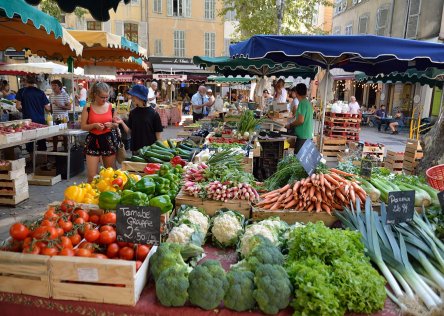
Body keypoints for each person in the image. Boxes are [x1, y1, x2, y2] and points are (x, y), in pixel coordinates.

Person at [81, 82, 119, 182]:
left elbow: (117, 124)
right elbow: (83, 126)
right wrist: (94, 125)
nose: (105, 99)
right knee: (91, 175)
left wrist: (112, 125)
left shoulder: (112, 107)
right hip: (93, 140)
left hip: (108, 139)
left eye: (107, 97)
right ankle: (92, 195)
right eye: (102, 97)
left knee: (110, 173)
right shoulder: (88, 107)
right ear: (95, 94)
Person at [115, 84, 163, 153]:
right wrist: (122, 122)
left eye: (133, 96)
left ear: (140, 97)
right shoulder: (133, 113)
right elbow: (130, 132)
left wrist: (159, 152)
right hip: (136, 150)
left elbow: (158, 136)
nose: (131, 97)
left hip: (150, 151)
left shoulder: (154, 114)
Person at [16, 75, 50, 152]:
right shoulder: (41, 92)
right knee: (41, 141)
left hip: (28, 121)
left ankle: (32, 161)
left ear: (25, 81)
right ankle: (43, 160)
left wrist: (24, 110)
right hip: (40, 120)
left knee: (30, 142)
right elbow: (47, 108)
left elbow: (18, 106)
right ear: (35, 82)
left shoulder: (21, 91)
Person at [285, 83, 313, 154]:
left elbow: (300, 120)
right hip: (307, 135)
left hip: (303, 137)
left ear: (296, 92)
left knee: (298, 160)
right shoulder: (307, 102)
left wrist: (290, 125)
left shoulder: (302, 103)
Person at [50, 79, 71, 151]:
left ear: (59, 86)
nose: (53, 87)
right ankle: (54, 149)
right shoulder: (51, 95)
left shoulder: (65, 95)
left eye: (55, 85)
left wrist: (59, 105)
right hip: (54, 118)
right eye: (52, 85)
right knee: (54, 134)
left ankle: (66, 149)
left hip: (63, 118)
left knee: (64, 134)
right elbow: (50, 106)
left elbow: (69, 107)